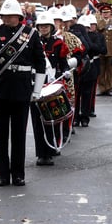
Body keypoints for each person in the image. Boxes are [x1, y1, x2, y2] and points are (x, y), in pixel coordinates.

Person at [0, 0, 46, 187]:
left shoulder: (31, 34)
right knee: (0, 134)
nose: (7, 19)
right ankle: (2, 174)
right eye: (5, 16)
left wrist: (37, 90)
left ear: (19, 16)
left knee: (18, 135)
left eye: (11, 16)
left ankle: (18, 174)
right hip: (0, 88)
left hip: (22, 88)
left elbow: (40, 63)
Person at [31, 12, 74, 166]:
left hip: (52, 84)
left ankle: (52, 146)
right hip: (36, 84)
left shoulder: (58, 44)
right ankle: (42, 154)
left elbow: (63, 63)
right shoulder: (31, 41)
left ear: (50, 27)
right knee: (38, 120)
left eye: (46, 26)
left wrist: (66, 71)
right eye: (41, 26)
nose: (43, 28)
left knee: (54, 119)